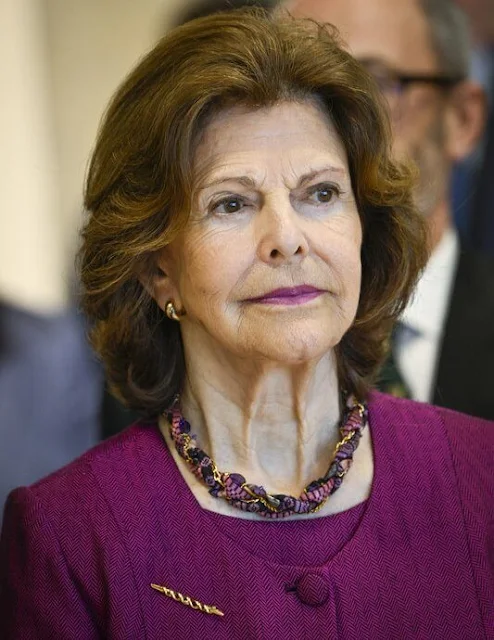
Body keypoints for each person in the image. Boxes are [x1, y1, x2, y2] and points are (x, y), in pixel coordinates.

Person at [1, 9, 493, 639]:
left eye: (320, 194)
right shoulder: (70, 535)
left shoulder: (482, 474)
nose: (287, 240)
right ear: (159, 267)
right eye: (231, 203)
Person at [289, 0, 494, 419]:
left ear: (462, 119)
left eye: (374, 83)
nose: (338, 123)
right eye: (303, 91)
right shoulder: (188, 369)